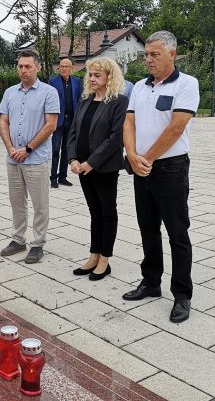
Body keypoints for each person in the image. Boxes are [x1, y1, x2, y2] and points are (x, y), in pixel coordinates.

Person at [121, 30, 200, 324]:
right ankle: (151, 281)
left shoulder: (187, 84)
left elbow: (176, 127)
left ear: (172, 54)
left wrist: (147, 158)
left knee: (177, 233)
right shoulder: (140, 87)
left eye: (154, 54)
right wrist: (132, 155)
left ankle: (182, 294)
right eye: (146, 55)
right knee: (148, 229)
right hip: (141, 168)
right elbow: (128, 122)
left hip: (170, 169)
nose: (148, 59)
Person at [67, 58, 127, 281]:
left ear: (110, 77)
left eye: (97, 75)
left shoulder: (119, 102)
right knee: (95, 212)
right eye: (90, 75)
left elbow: (116, 138)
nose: (92, 79)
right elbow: (73, 131)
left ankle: (104, 259)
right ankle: (94, 255)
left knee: (107, 212)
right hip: (82, 167)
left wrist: (91, 162)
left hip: (104, 168)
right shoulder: (85, 100)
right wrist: (73, 158)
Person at [0, 50, 60, 264]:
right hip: (13, 158)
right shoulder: (10, 93)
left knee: (40, 203)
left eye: (28, 66)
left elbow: (50, 125)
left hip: (36, 158)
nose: (23, 70)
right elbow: (3, 121)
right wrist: (10, 148)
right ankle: (18, 239)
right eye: (20, 66)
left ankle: (38, 243)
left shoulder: (49, 92)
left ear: (37, 68)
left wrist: (28, 149)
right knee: (16, 201)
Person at [49, 58, 82, 188]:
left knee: (67, 150)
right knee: (55, 149)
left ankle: (63, 177)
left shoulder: (77, 81)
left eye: (66, 66)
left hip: (71, 121)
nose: (63, 68)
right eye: (61, 66)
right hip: (58, 121)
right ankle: (53, 178)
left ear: (71, 68)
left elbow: (79, 100)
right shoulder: (53, 81)